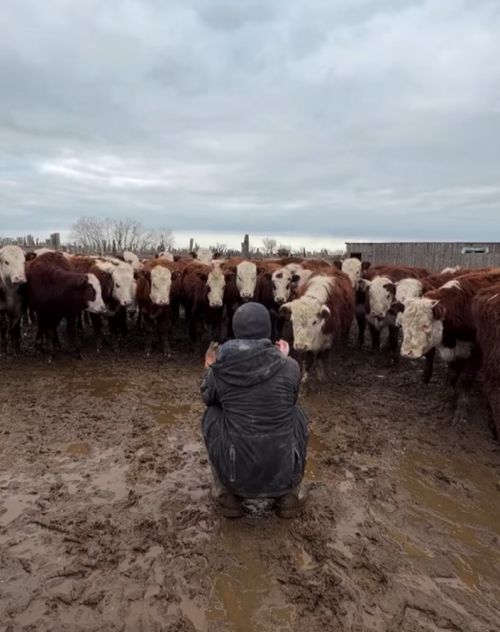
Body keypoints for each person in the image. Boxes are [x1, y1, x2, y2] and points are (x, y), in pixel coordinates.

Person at [200, 302, 309, 518]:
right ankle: (290, 494)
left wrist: (210, 366)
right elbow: (291, 398)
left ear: (236, 330)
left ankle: (226, 494)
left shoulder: (221, 367)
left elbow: (208, 397)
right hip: (282, 476)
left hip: (235, 475)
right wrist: (284, 358)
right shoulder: (291, 366)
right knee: (297, 414)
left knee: (211, 414)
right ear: (267, 330)